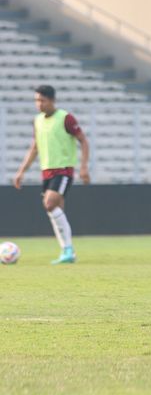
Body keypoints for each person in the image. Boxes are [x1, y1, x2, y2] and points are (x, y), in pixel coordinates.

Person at [13, 85, 90, 264]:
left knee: (49, 204)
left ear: (52, 100)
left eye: (42, 100)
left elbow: (83, 141)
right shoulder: (38, 120)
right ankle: (67, 251)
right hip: (46, 172)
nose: (39, 104)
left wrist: (83, 167)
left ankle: (68, 250)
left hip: (63, 170)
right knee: (56, 210)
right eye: (36, 100)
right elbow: (35, 147)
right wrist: (21, 171)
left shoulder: (65, 118)